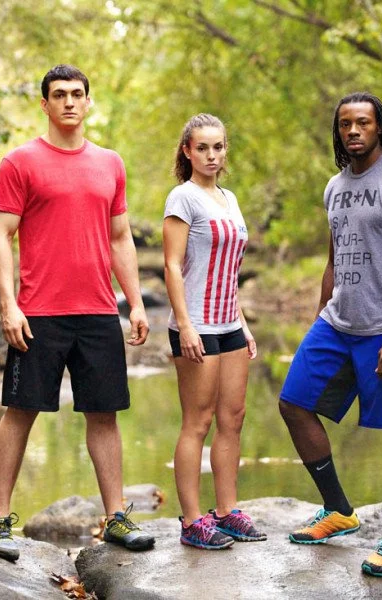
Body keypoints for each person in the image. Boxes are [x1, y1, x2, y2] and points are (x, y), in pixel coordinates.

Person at [0, 64, 154, 561]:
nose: (70, 102)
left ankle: (116, 517)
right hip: (38, 312)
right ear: (45, 104)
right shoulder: (20, 162)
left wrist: (135, 301)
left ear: (88, 101)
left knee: (104, 414)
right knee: (21, 410)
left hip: (98, 310)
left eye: (78, 94)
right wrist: (9, 305)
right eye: (59, 95)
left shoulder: (110, 163)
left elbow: (120, 237)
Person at [279, 92, 382, 576]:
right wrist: (318, 317)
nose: (352, 131)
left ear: (379, 127)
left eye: (362, 123)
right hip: (337, 322)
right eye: (345, 123)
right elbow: (333, 259)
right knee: (293, 403)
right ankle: (340, 510)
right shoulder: (334, 187)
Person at [162, 114, 266, 550]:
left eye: (218, 147)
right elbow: (171, 265)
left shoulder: (230, 198)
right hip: (196, 328)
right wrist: (185, 326)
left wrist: (242, 323)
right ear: (188, 151)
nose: (211, 155)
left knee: (233, 419)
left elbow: (231, 270)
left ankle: (226, 512)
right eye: (202, 147)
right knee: (198, 421)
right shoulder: (182, 198)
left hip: (229, 326)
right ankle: (191, 521)